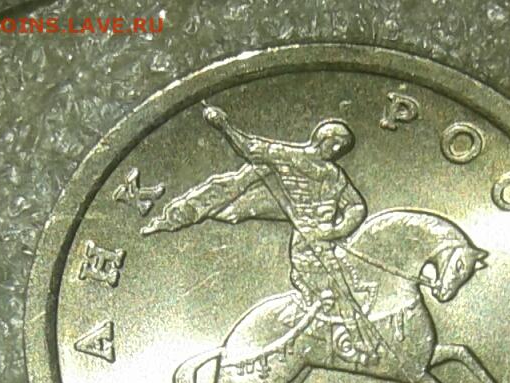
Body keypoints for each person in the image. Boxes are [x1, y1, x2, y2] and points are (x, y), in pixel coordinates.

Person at [142, 103, 377, 363]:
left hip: (325, 241)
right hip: (306, 245)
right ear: (324, 139)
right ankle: (349, 342)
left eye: (342, 148)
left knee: (349, 284)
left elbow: (356, 206)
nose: (338, 150)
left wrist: (336, 230)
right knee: (334, 289)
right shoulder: (287, 156)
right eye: (337, 144)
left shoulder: (334, 175)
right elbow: (250, 148)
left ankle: (352, 336)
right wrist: (224, 125)